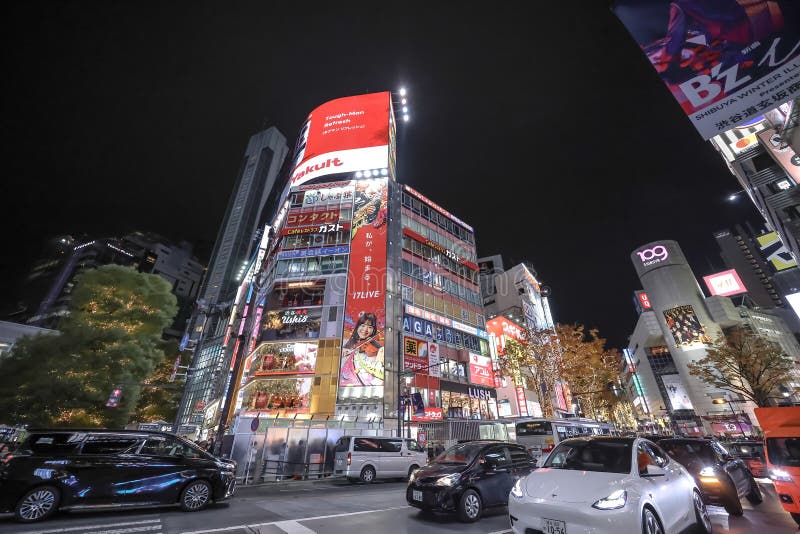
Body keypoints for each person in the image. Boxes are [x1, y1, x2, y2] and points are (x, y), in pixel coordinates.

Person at [339, 312, 384, 386]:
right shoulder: (348, 343)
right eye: (363, 325)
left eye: (370, 327)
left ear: (373, 330)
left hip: (364, 383)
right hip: (346, 381)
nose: (365, 329)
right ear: (358, 327)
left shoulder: (373, 344)